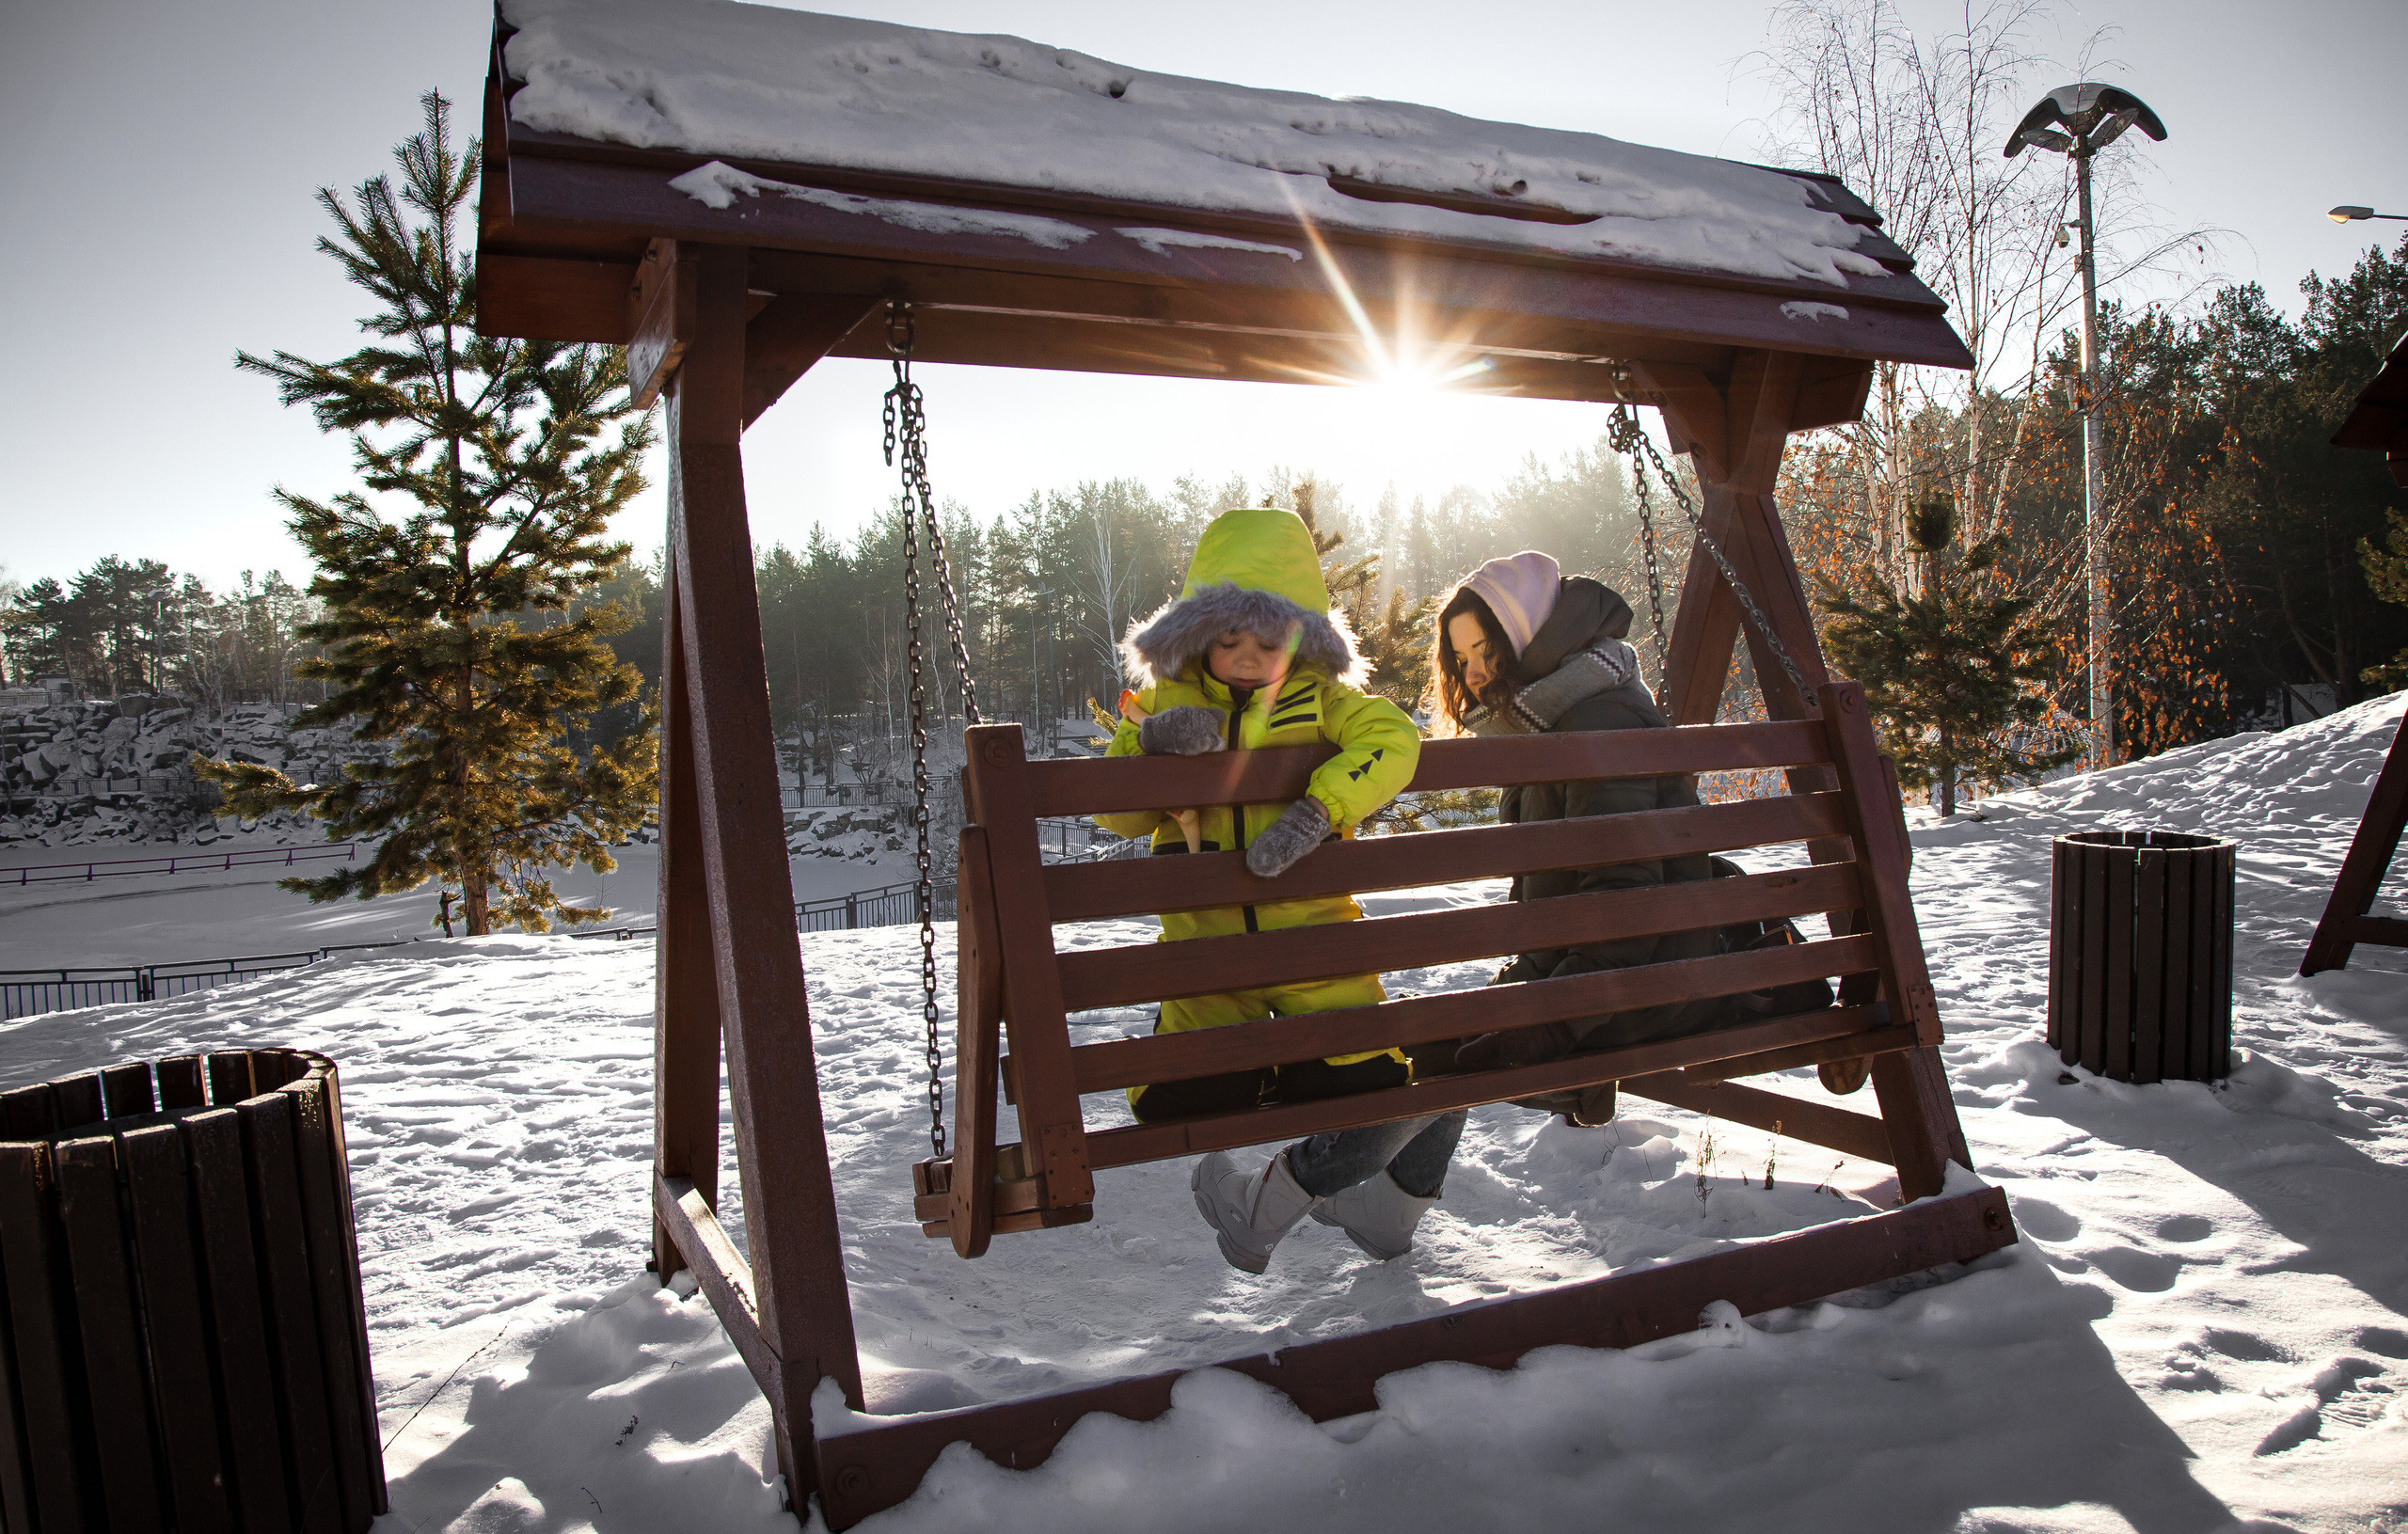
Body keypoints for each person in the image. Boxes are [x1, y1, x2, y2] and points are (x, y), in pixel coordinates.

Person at [1100, 505, 1465, 1273]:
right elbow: (1115, 813)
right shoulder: (1169, 704)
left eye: (1266, 642)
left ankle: (1281, 1175)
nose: (1243, 657)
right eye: (1226, 639)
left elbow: (1394, 737)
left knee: (1371, 1081)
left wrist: (1316, 811)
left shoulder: (1322, 702)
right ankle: (1277, 1153)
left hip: (1317, 955)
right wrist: (1151, 747)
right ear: (1199, 635)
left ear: (1299, 641)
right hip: (1208, 963)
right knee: (1180, 1098)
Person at [1426, 550, 1721, 1125]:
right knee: (1422, 1047)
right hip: (1597, 980)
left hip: (1646, 985)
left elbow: (1622, 910)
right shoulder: (1550, 719)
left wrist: (1547, 1025)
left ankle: (1298, 1192)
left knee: (1431, 1059)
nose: (1475, 675)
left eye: (1488, 652)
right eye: (1462, 660)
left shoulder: (1596, 723)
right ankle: (1368, 1199)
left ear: (1532, 642)